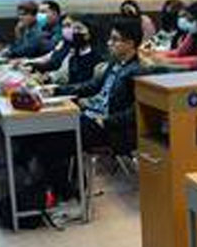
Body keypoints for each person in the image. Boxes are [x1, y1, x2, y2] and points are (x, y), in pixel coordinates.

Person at [51, 17, 145, 156]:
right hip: (91, 116)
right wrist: (57, 90)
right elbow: (92, 86)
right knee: (53, 126)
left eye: (115, 40)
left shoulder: (137, 71)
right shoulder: (115, 63)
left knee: (57, 134)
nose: (109, 43)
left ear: (130, 44)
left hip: (109, 128)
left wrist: (106, 121)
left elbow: (135, 111)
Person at [26, 15, 101, 86]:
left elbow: (87, 86)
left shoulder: (96, 58)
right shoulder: (74, 53)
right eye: (74, 28)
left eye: (79, 28)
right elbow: (63, 73)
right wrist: (47, 78)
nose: (74, 32)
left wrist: (56, 87)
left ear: (89, 33)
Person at [148, 1, 197, 70]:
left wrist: (169, 60)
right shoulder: (193, 33)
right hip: (187, 66)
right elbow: (179, 52)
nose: (187, 22)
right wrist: (154, 54)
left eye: (191, 20)